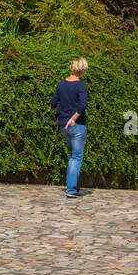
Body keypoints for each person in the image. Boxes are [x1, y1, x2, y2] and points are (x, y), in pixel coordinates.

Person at [50, 58, 88, 201]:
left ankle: (74, 186)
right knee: (76, 157)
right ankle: (71, 189)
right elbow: (82, 105)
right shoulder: (81, 85)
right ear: (82, 69)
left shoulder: (61, 84)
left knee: (73, 155)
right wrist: (74, 118)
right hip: (76, 125)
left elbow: (53, 103)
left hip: (63, 125)